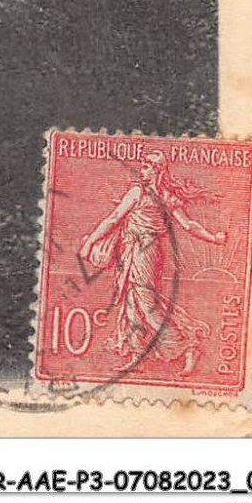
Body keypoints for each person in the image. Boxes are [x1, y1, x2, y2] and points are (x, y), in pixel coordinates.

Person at [78, 152, 225, 374]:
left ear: (157, 169)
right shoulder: (139, 192)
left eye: (146, 166)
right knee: (131, 302)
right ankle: (138, 355)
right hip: (132, 250)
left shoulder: (159, 195)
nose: (142, 170)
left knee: (147, 304)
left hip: (146, 252)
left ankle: (187, 347)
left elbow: (188, 225)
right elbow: (113, 218)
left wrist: (213, 238)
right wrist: (91, 241)